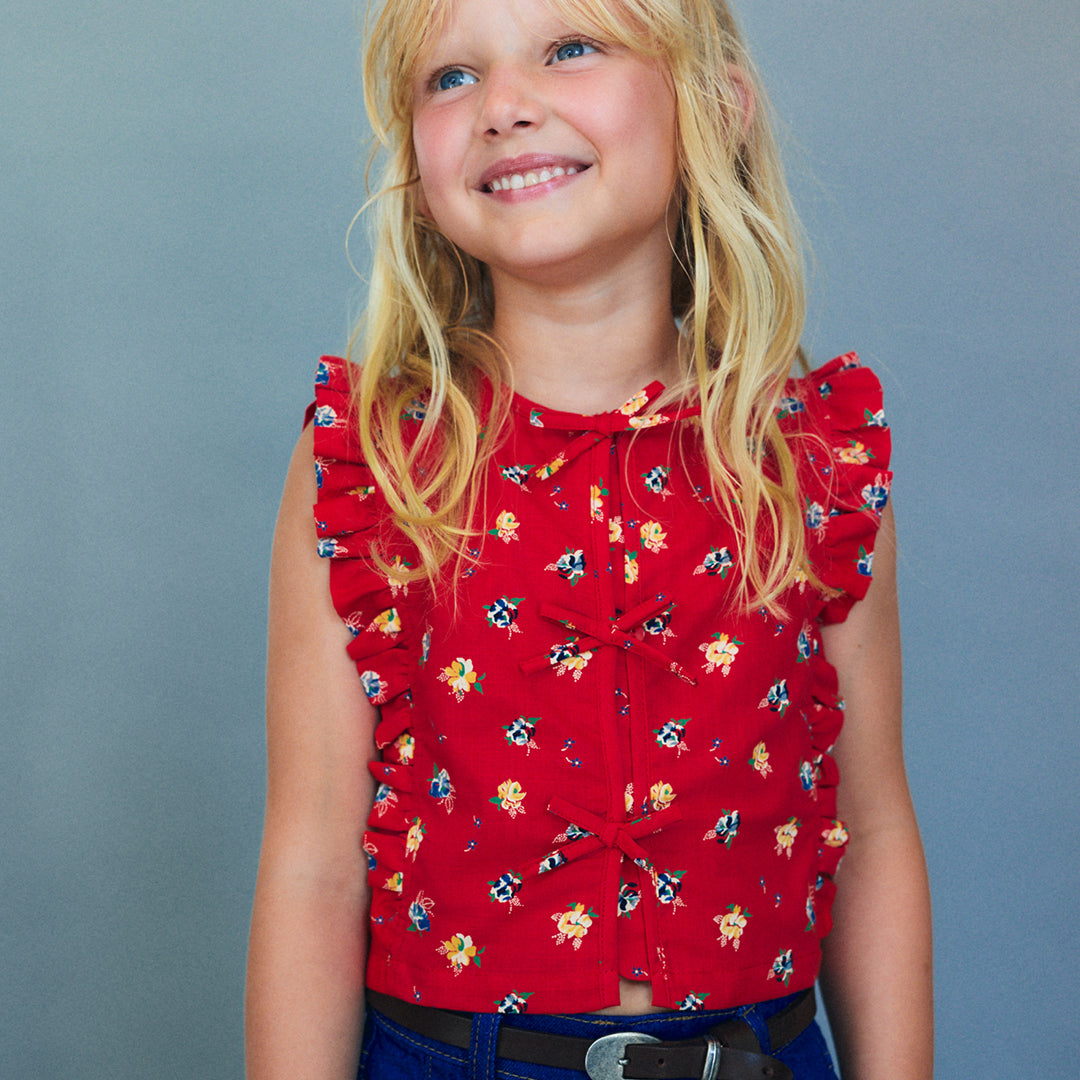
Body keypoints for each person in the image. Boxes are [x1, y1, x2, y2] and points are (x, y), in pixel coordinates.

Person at [245, 0, 933, 1077]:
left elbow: (872, 834)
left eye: (570, 49)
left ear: (717, 105)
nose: (505, 106)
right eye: (451, 77)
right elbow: (312, 864)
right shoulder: (373, 460)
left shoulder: (814, 460)